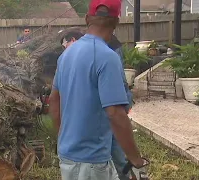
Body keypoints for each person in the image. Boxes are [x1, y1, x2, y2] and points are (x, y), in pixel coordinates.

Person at [49, 0, 148, 179]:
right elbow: (115, 113)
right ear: (116, 22)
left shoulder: (66, 55)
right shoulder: (107, 57)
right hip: (92, 162)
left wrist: (63, 140)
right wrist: (136, 161)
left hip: (68, 157)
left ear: (87, 18)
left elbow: (54, 101)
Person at [59, 31, 132, 180]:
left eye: (64, 45)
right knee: (114, 147)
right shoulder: (76, 56)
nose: (64, 49)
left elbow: (116, 110)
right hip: (93, 143)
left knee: (116, 149)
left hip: (91, 149)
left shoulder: (101, 54)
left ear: (72, 40)